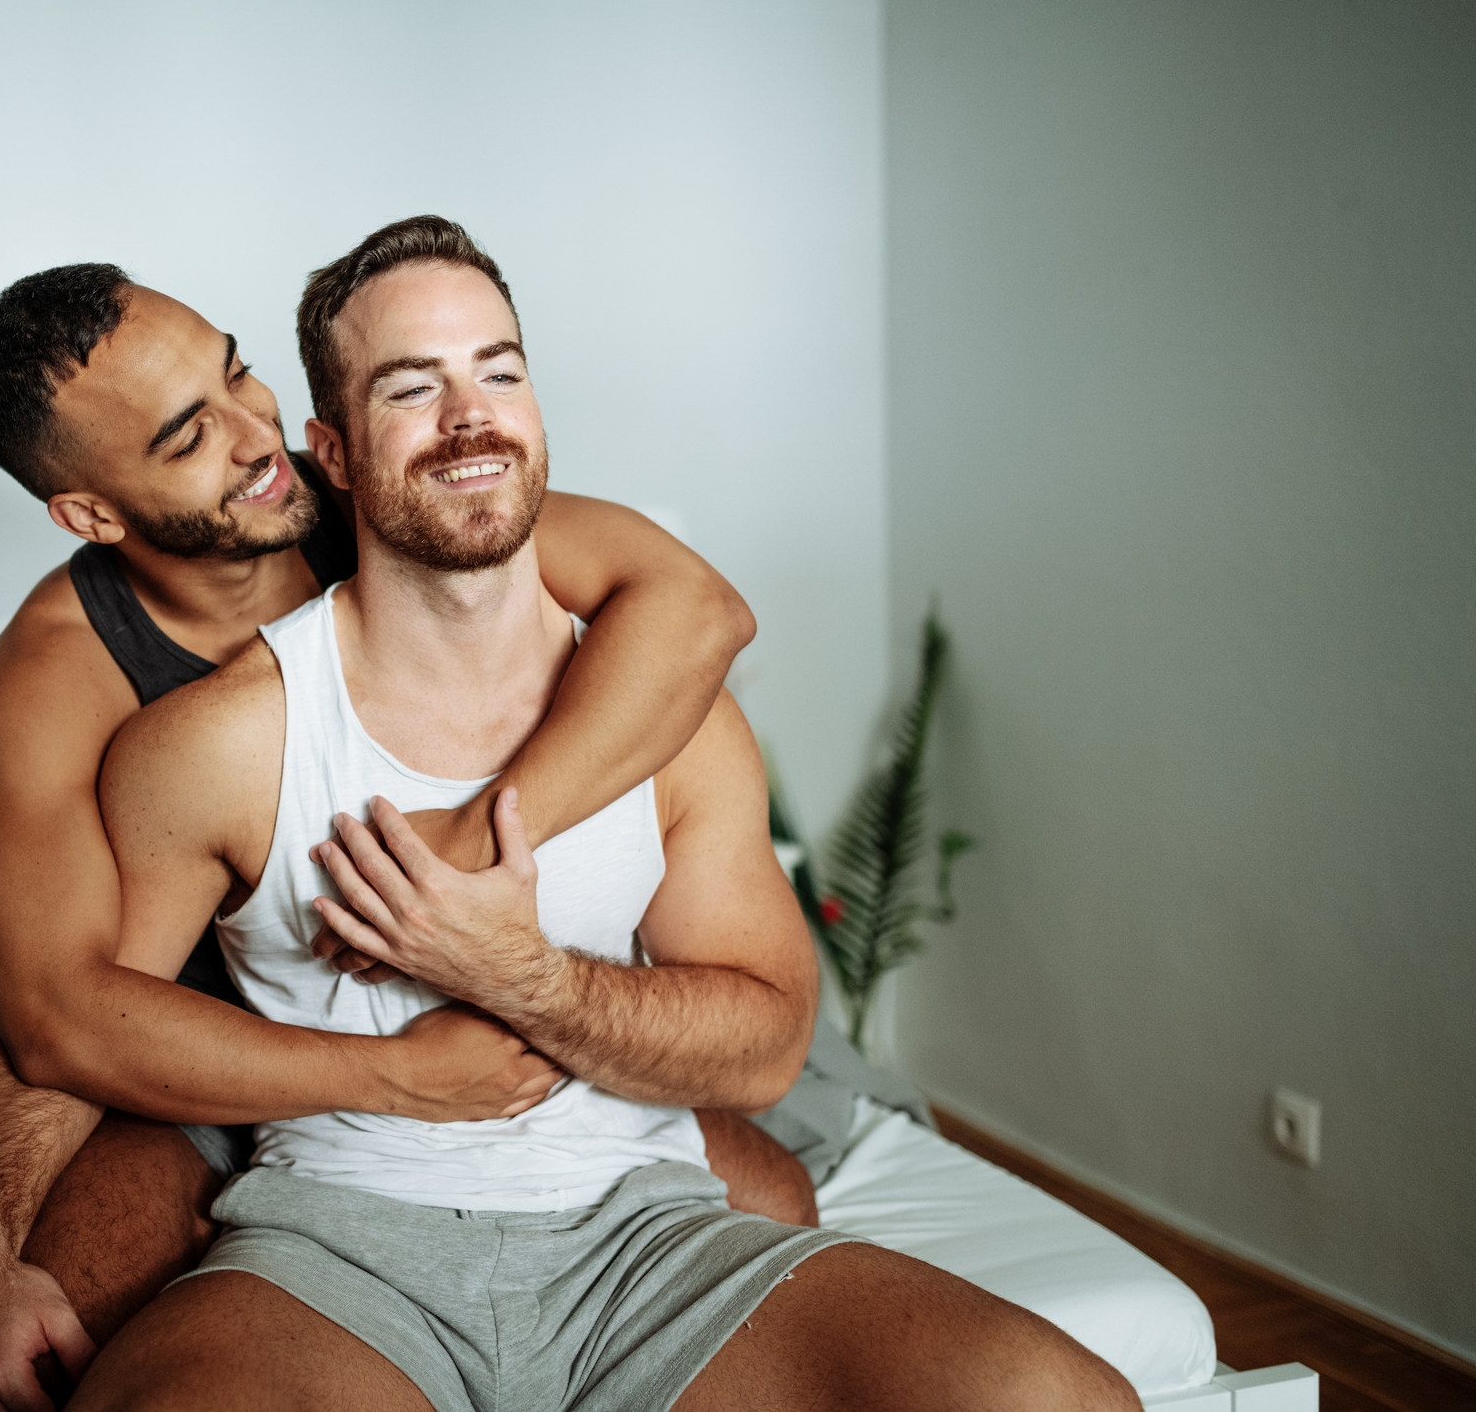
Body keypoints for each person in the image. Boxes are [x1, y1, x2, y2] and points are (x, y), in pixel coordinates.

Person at [57, 217, 1138, 1411]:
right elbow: (76, 1022)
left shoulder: (674, 719)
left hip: (651, 1244)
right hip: (336, 1252)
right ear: (335, 453)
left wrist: (525, 977)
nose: (471, 417)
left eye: (500, 372)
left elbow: (768, 1045)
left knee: (1059, 1396)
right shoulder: (213, 746)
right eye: (412, 388)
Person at [0, 249, 814, 1410]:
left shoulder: (378, 494)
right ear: (93, 512)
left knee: (778, 1205)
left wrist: (467, 845)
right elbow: (50, 1009)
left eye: (236, 373)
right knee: (71, 1329)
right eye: (188, 436)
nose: (256, 436)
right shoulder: (52, 680)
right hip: (201, 1056)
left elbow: (698, 607)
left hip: (469, 993)